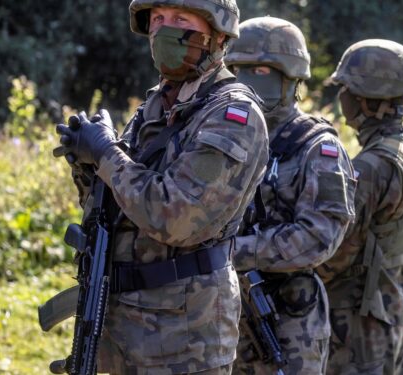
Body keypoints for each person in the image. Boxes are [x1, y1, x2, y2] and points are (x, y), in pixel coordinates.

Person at [53, 0, 269, 373]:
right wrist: (86, 165)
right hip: (127, 324)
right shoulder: (156, 106)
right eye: (157, 19)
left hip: (185, 337)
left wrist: (106, 153)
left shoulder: (233, 116)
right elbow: (120, 208)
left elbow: (176, 217)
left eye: (180, 19)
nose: (164, 30)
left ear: (216, 34)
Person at [224, 16, 356, 374]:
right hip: (221, 313)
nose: (253, 81)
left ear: (293, 79)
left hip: (286, 321)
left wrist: (234, 252)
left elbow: (319, 238)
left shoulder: (318, 148)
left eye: (265, 71)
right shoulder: (223, 136)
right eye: (244, 70)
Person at [317, 39, 403, 375]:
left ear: (364, 99)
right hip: (394, 303)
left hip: (358, 319)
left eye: (347, 90)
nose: (342, 99)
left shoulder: (372, 166)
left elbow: (337, 251)